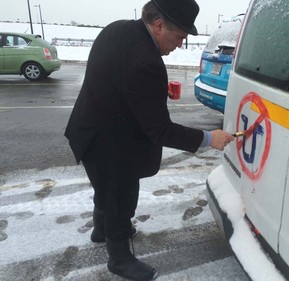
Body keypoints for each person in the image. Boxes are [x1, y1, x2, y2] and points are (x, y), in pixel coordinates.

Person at [64, 0, 234, 280]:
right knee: (120, 196)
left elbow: (118, 73)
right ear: (158, 25)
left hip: (88, 129)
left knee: (104, 186)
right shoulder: (147, 62)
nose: (180, 45)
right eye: (179, 36)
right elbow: (160, 131)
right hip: (110, 143)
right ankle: (119, 259)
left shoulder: (117, 29)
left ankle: (100, 230)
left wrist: (152, 92)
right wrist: (208, 138)